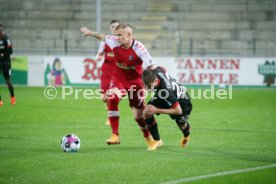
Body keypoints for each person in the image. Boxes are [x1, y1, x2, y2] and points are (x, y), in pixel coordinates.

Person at [81, 24, 160, 150]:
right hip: (119, 79)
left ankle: (150, 140)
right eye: (116, 34)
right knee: (112, 98)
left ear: (129, 35)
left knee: (138, 117)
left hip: (136, 83)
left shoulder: (139, 48)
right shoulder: (114, 41)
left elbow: (151, 67)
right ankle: (115, 135)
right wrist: (90, 33)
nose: (117, 37)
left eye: (120, 35)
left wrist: (152, 85)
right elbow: (102, 36)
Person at [142, 67, 193, 150]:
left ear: (156, 81)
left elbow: (178, 111)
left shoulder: (166, 90)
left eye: (149, 86)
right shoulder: (155, 73)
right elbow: (161, 68)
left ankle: (186, 135)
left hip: (182, 103)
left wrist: (157, 110)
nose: (148, 88)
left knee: (182, 125)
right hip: (162, 96)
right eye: (146, 86)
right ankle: (157, 140)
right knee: (147, 112)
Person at [95, 20, 120, 125]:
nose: (115, 28)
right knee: (104, 98)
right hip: (106, 72)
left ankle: (111, 117)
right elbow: (99, 53)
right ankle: (111, 110)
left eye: (117, 26)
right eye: (113, 26)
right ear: (110, 28)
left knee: (112, 95)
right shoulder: (104, 41)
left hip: (117, 72)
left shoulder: (123, 41)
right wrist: (98, 57)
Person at [0, 24, 15, 106]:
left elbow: (10, 51)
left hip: (6, 62)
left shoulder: (6, 39)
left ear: (2, 30)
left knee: (8, 81)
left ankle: (12, 97)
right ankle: (0, 101)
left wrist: (2, 54)